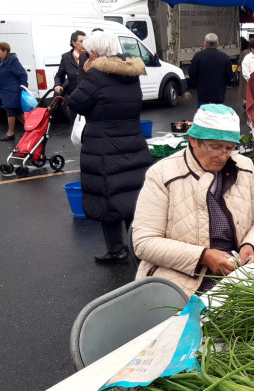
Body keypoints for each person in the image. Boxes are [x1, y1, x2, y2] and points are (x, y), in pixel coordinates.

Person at [132, 104, 254, 295]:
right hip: (180, 276)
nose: (223, 156)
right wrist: (203, 256)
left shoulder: (245, 167)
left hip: (235, 269)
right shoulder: (162, 174)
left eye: (229, 148)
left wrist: (250, 246)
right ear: (193, 140)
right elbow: (144, 242)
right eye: (215, 147)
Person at [67, 30, 152, 264]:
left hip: (104, 145)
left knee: (108, 197)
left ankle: (116, 249)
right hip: (133, 141)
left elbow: (76, 102)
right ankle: (139, 247)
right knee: (131, 195)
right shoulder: (131, 73)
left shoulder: (95, 76)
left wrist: (84, 75)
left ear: (94, 53)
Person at [0, 42, 28, 142]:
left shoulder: (12, 61)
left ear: (5, 51)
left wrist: (23, 87)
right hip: (6, 90)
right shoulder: (1, 61)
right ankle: (31, 129)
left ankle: (10, 133)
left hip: (13, 91)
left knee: (10, 111)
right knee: (17, 112)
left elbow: (22, 74)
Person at [188, 33, 233, 107]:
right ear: (218, 44)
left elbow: (192, 73)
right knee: (217, 115)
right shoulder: (224, 57)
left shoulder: (198, 56)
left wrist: (195, 84)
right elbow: (229, 76)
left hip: (203, 94)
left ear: (205, 44)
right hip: (219, 94)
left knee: (203, 116)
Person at [53, 30, 85, 99]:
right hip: (73, 96)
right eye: (81, 41)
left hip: (88, 96)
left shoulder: (90, 56)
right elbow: (59, 76)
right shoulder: (66, 57)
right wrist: (57, 85)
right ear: (73, 43)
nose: (84, 44)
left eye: (86, 41)